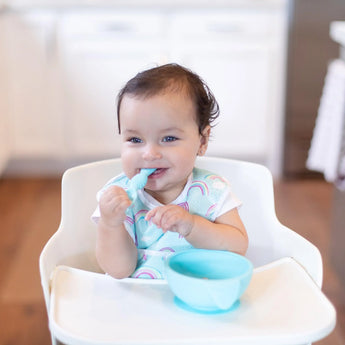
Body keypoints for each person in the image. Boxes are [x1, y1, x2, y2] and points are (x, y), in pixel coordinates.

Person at [92, 63, 248, 279]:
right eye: (135, 139)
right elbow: (118, 270)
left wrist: (192, 226)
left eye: (168, 138)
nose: (149, 153)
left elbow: (238, 246)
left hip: (197, 296)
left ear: (202, 141)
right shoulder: (117, 198)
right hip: (137, 301)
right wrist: (110, 224)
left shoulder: (211, 191)